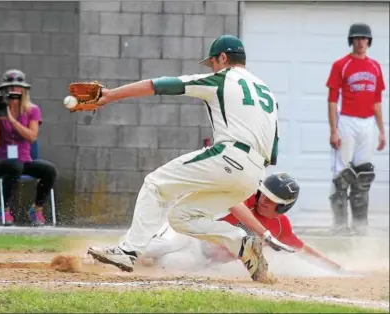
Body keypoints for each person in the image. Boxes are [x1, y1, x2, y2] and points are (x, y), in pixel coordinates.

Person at [87, 35, 295, 282]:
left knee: (155, 184)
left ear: (223, 58)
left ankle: (128, 251)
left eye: (213, 62)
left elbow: (159, 85)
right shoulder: (267, 92)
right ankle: (243, 243)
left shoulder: (222, 78)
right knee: (181, 217)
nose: (213, 68)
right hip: (254, 174)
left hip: (229, 157)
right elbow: (273, 147)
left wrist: (109, 95)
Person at [139, 173, 344, 273]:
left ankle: (145, 262)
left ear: (283, 207)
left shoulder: (281, 227)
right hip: (187, 234)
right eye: (264, 194)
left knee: (169, 265)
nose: (263, 200)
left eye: (272, 200)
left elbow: (303, 250)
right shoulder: (246, 197)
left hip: (203, 258)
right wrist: (264, 233)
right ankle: (120, 253)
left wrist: (337, 268)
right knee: (157, 248)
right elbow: (235, 205)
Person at [326, 23, 386, 236]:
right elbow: (332, 100)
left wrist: (381, 130)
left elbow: (377, 101)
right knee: (341, 174)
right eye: (357, 38)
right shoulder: (341, 65)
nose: (361, 42)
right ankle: (340, 225)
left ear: (369, 41)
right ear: (351, 40)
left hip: (368, 122)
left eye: (364, 38)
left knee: (364, 173)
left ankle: (360, 226)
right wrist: (333, 130)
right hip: (347, 121)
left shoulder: (375, 67)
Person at [0, 69, 57, 226]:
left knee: (49, 170)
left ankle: (36, 209)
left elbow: (31, 136)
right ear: (4, 90)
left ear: (24, 90)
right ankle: (4, 209)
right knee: (14, 165)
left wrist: (11, 120)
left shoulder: (32, 110)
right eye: (10, 88)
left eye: (17, 88)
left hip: (23, 160)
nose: (14, 91)